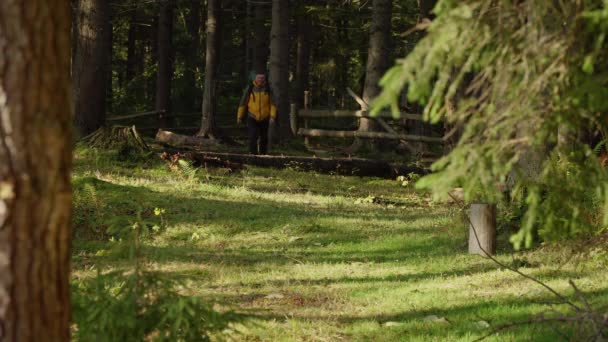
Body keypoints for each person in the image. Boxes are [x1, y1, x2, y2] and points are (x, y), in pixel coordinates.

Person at [237, 72, 277, 155]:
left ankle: (263, 155)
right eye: (259, 78)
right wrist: (239, 116)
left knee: (264, 138)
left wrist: (272, 116)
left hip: (265, 117)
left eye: (262, 78)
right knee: (252, 136)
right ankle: (253, 154)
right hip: (252, 116)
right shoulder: (250, 88)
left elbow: (273, 104)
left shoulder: (268, 89)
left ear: (265, 79)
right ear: (255, 79)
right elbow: (243, 103)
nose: (261, 80)